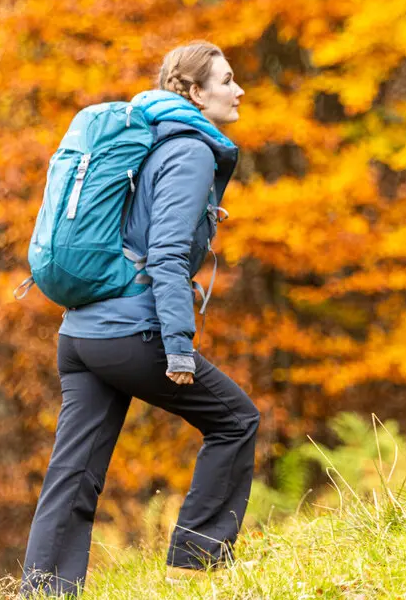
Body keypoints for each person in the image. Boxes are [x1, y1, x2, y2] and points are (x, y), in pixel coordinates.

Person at [20, 41, 259, 596]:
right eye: (226, 81)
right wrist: (178, 345)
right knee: (235, 420)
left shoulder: (145, 140)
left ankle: (42, 590)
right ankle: (194, 567)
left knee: (73, 469)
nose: (238, 89)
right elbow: (169, 254)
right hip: (132, 332)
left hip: (80, 334)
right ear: (196, 93)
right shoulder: (189, 150)